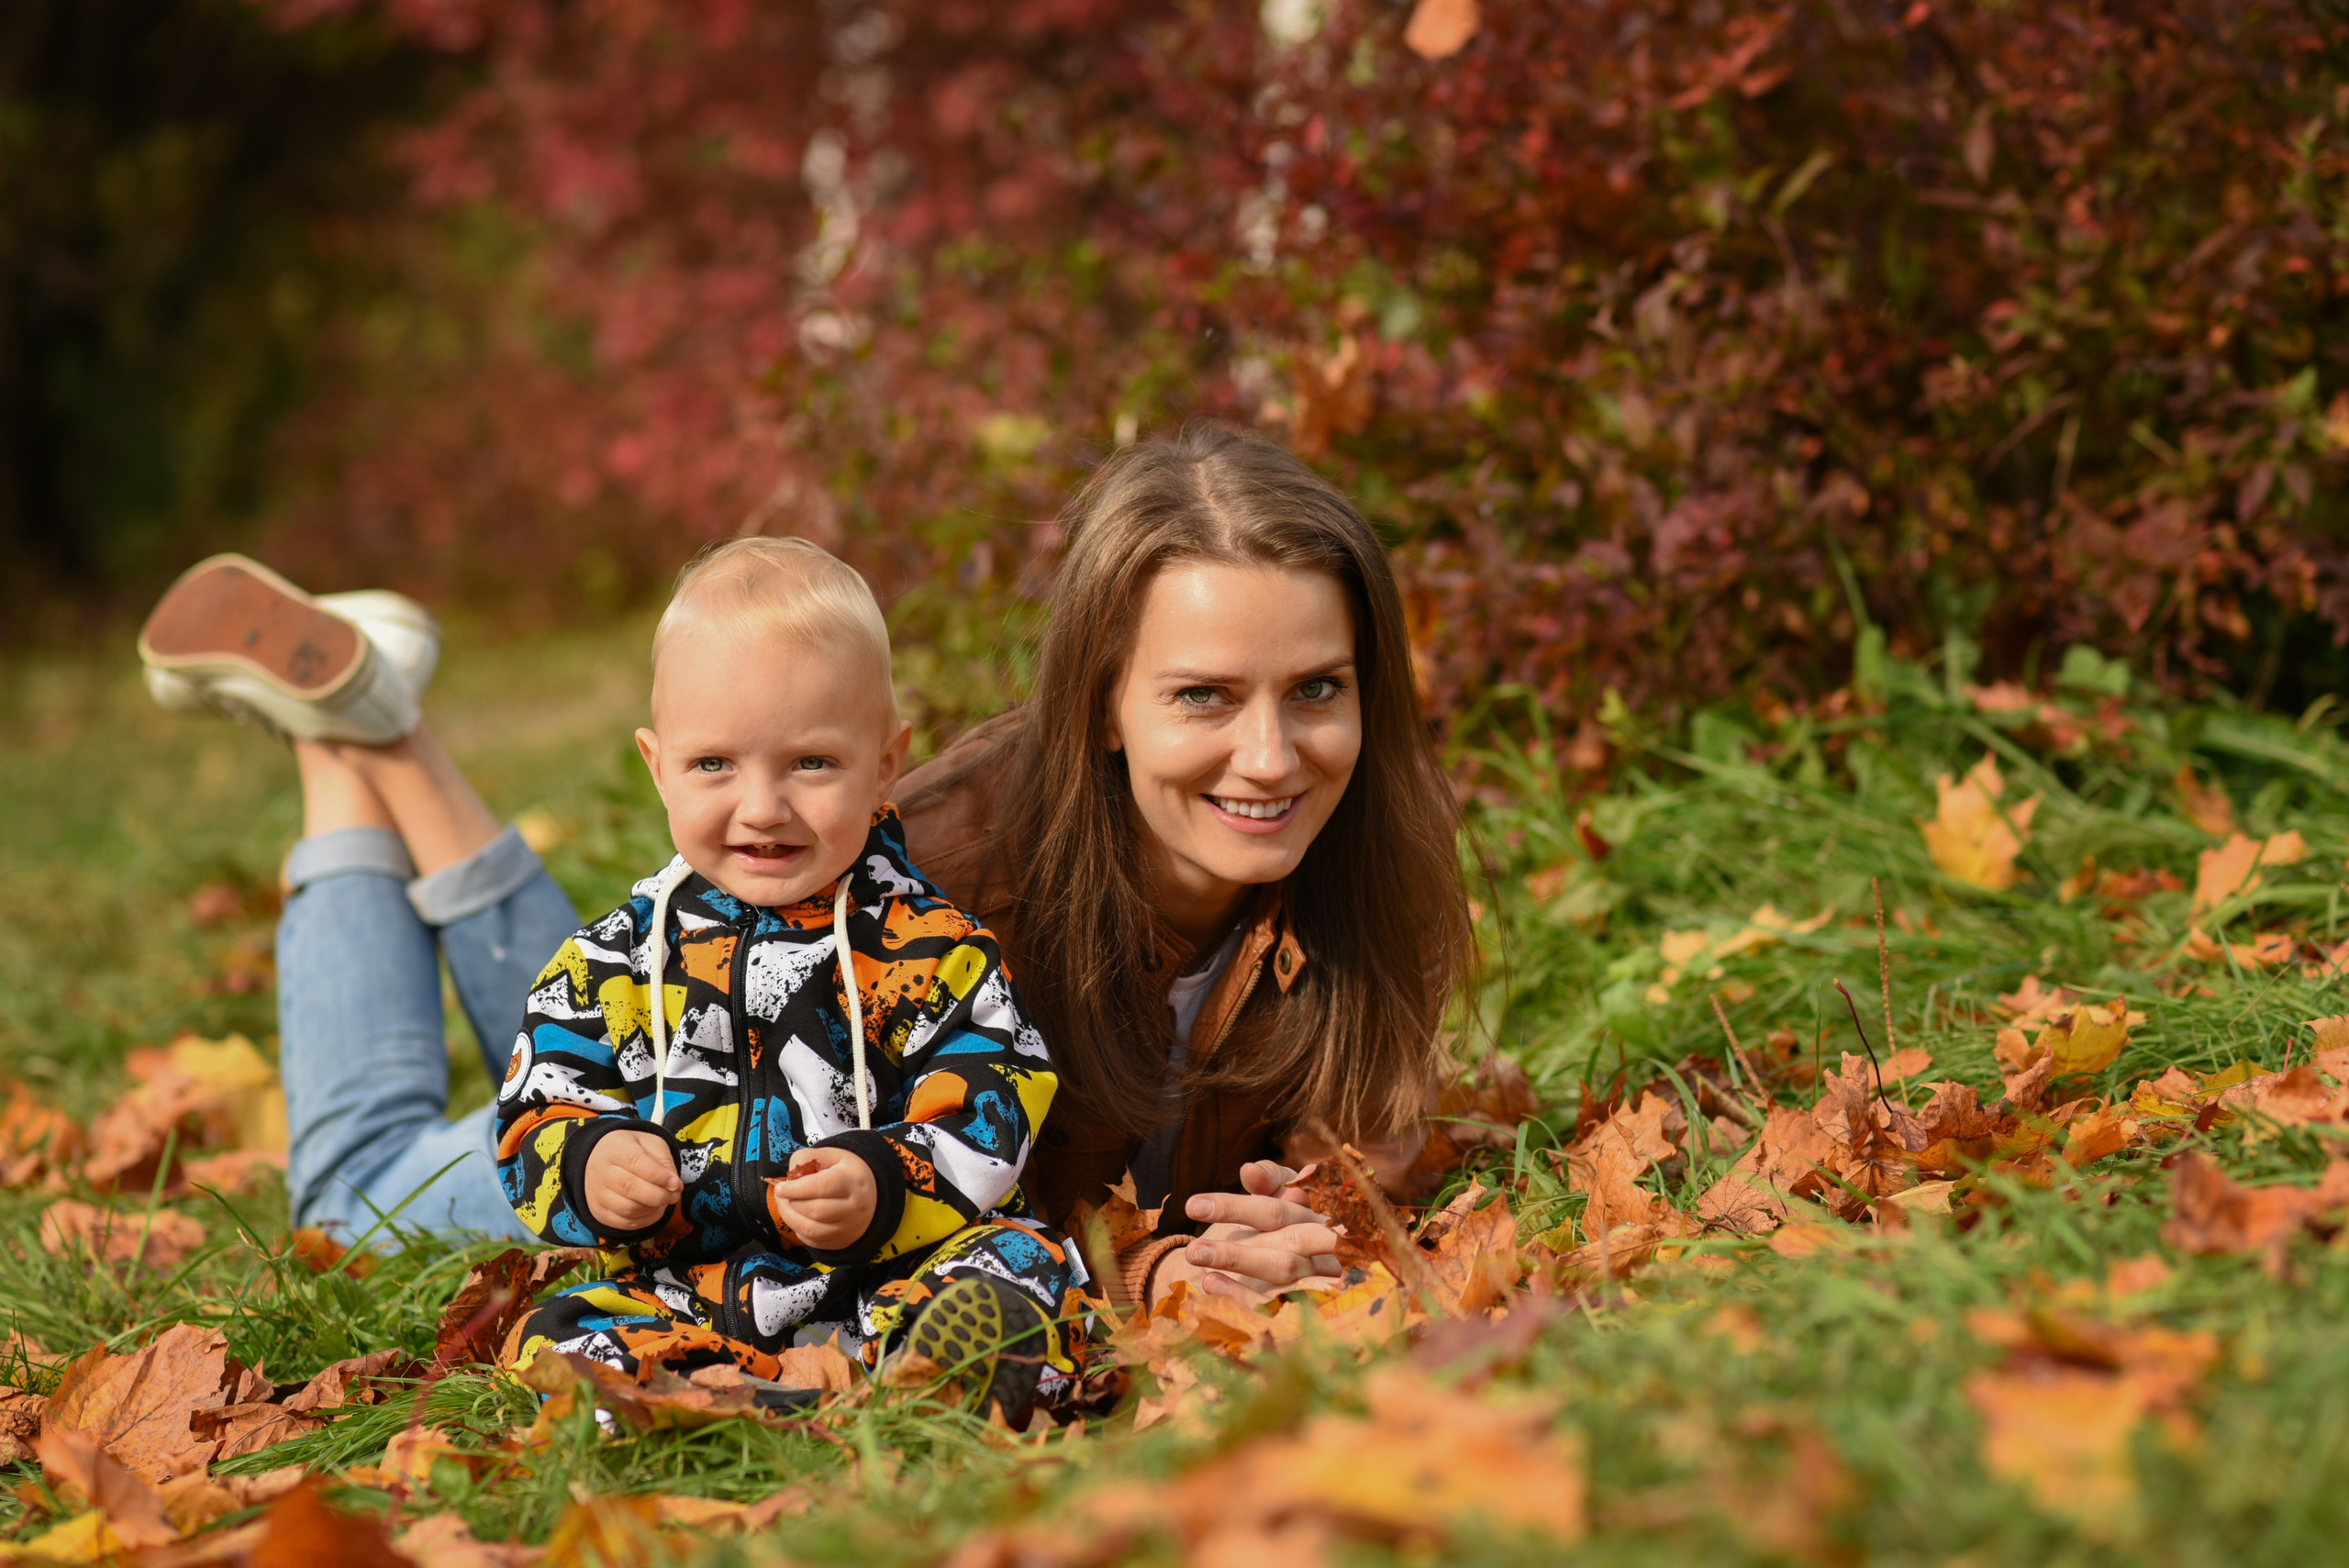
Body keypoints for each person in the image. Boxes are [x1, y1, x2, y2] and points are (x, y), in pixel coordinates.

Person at [135, 424, 1474, 1318]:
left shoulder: (1366, 847)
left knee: (588, 1019)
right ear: (1102, 701)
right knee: (356, 1176)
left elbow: (1363, 1119)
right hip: (723, 1171)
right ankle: (347, 752)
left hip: (719, 1073)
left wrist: (1316, 1208)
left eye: (1317, 690)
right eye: (1202, 696)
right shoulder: (952, 879)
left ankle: (375, 731)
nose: (1271, 753)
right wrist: (1153, 1266)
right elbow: (964, 1179)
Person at [494, 539, 1080, 1420]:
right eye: (714, 765)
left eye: (810, 763)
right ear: (656, 767)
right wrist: (588, 1162)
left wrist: (887, 1179)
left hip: (896, 1273)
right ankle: (694, 1393)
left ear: (886, 764)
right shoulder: (614, 960)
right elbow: (535, 1103)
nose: (763, 806)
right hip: (688, 1287)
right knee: (556, 1330)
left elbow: (998, 1088)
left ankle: (936, 1369)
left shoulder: (931, 948)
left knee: (1022, 1268)